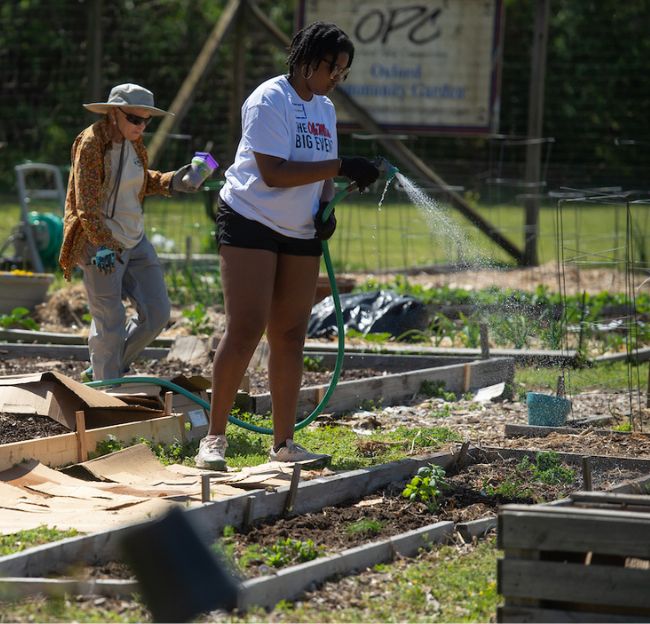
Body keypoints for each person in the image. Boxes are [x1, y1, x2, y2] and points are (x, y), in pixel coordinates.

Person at [195, 22, 380, 470]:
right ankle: (214, 438)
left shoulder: (325, 109)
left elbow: (318, 172)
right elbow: (274, 173)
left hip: (299, 230)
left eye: (344, 70)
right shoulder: (269, 99)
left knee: (291, 335)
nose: (337, 76)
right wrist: (341, 166)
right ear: (305, 59)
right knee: (246, 327)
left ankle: (283, 445)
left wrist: (324, 209)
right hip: (250, 218)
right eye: (332, 66)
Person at [59, 83, 198, 382]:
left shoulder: (134, 143)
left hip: (135, 240)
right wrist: (104, 244)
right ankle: (106, 394)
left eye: (147, 120)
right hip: (101, 244)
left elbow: (138, 179)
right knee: (110, 321)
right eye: (135, 119)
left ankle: (107, 368)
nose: (141, 126)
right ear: (114, 114)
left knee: (157, 313)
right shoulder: (91, 143)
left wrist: (173, 181)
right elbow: (86, 202)